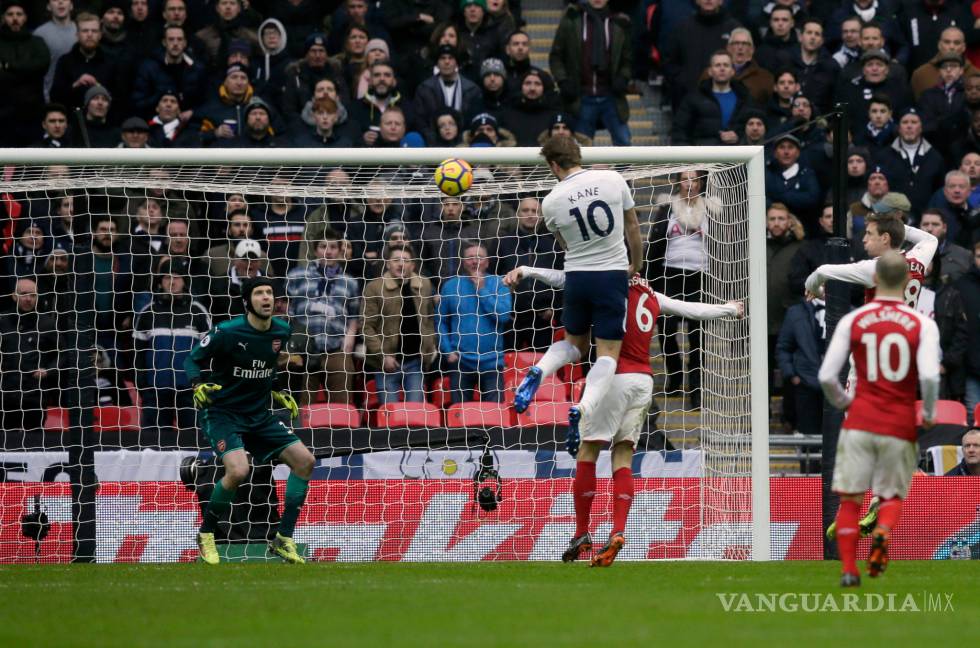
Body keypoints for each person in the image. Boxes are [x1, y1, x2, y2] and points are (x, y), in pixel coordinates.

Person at [507, 268, 742, 566]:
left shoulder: (608, 288)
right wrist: (729, 309)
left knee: (588, 450)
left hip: (614, 376)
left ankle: (581, 532)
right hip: (644, 381)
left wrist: (528, 271)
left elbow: (565, 278)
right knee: (623, 455)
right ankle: (618, 530)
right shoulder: (651, 294)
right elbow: (692, 309)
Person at [819, 251, 940, 587]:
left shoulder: (853, 320)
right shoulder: (922, 323)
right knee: (889, 495)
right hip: (899, 423)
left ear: (873, 279)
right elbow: (930, 377)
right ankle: (882, 537)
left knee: (851, 498)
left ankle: (848, 569)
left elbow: (828, 376)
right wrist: (928, 413)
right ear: (907, 281)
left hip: (859, 421)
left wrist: (846, 401)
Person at [512, 136, 642, 437]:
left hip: (576, 278)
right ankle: (583, 407)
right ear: (578, 155)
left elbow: (565, 246)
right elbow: (633, 227)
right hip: (610, 275)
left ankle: (539, 370)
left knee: (574, 344)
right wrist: (636, 264)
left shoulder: (551, 201)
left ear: (554, 165)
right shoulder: (612, 179)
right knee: (607, 353)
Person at [185, 276, 314, 565]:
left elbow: (266, 364)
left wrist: (278, 390)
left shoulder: (281, 330)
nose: (267, 298)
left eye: (270, 293)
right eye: (259, 293)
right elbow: (192, 359)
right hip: (223, 414)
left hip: (259, 415)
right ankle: (206, 534)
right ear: (248, 301)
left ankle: (283, 538)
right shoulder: (227, 331)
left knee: (305, 462)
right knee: (238, 471)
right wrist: (197, 385)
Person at [645, 170, 715, 408]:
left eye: (694, 179)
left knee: (698, 335)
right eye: (685, 179)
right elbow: (654, 244)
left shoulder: (712, 211)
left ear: (701, 183)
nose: (690, 184)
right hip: (669, 275)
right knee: (665, 329)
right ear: (678, 183)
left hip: (700, 276)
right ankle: (675, 378)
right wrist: (648, 279)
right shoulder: (666, 209)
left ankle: (696, 388)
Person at [806, 196, 938, 310]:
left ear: (885, 238)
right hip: (908, 334)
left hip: (878, 335)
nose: (864, 240)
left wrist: (816, 290)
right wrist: (893, 225)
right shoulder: (918, 259)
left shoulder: (875, 268)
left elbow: (821, 272)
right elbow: (930, 239)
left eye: (869, 234)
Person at [133, 260, 211, 439]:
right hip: (155, 391)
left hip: (191, 392)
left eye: (177, 277)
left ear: (185, 281)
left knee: (194, 440)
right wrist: (142, 383)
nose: (172, 281)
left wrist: (202, 382)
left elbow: (210, 351)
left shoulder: (198, 312)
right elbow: (137, 352)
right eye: (167, 277)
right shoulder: (147, 312)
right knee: (152, 445)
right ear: (160, 282)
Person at [285, 230, 361, 405]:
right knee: (301, 407)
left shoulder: (350, 281)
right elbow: (287, 310)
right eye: (323, 246)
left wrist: (350, 338)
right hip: (303, 351)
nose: (328, 251)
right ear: (315, 250)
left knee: (341, 408)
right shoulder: (296, 276)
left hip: (336, 350)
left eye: (333, 247)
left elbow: (354, 315)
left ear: (340, 250)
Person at [549, 0, 632, 146]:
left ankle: (623, 170)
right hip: (582, 96)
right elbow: (556, 55)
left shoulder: (619, 22)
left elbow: (628, 58)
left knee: (624, 141)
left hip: (611, 95)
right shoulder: (571, 20)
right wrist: (563, 80)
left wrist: (623, 77)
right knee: (582, 147)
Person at [362, 242, 437, 405]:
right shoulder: (374, 287)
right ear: (388, 263)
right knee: (390, 417)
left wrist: (429, 349)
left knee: (415, 416)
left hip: (416, 362)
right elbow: (367, 326)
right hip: (386, 363)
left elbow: (429, 319)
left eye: (406, 260)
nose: (401, 264)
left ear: (413, 265)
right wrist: (383, 357)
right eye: (396, 260)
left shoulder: (425, 284)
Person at [438, 241, 512, 403]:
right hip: (460, 361)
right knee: (460, 417)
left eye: (479, 257)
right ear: (463, 262)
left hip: (492, 362)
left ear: (487, 261)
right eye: (470, 257)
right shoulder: (450, 286)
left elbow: (503, 316)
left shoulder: (500, 283)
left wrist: (482, 290)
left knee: (494, 417)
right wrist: (447, 350)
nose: (474, 261)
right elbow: (440, 322)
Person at [0, 277, 60, 435]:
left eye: (33, 295)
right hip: (5, 394)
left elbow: (63, 354)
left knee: (35, 442)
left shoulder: (47, 324)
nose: (28, 299)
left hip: (34, 395)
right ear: (14, 296)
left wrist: (48, 370)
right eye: (24, 294)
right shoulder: (2, 321)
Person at [672, 50, 753, 147]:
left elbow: (755, 126)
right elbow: (679, 131)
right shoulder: (693, 98)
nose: (722, 68)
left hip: (737, 156)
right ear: (710, 71)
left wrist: (738, 136)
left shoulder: (744, 97)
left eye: (726, 65)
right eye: (717, 65)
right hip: (703, 157)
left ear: (732, 71)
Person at [0, 1, 51, 146]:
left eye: (19, 14)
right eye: (10, 14)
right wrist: (26, 72)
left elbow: (41, 66)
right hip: (3, 113)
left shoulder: (37, 42)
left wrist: (8, 66)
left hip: (32, 114)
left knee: (32, 162)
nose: (15, 18)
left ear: (25, 17)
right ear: (3, 18)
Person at [918, 208, 972, 283]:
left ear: (944, 228)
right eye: (925, 224)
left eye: (935, 224)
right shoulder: (907, 254)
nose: (929, 229)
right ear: (919, 228)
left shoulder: (964, 255)